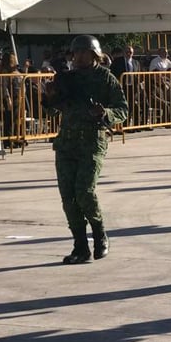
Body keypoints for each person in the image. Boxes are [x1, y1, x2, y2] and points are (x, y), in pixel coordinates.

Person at [42, 35, 128, 264]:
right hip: (67, 144)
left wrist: (106, 114)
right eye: (76, 52)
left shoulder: (105, 78)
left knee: (84, 191)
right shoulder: (65, 79)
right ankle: (80, 246)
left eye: (84, 52)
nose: (79, 57)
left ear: (95, 55)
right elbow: (52, 110)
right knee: (68, 198)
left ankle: (99, 233)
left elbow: (123, 109)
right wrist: (49, 96)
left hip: (92, 143)